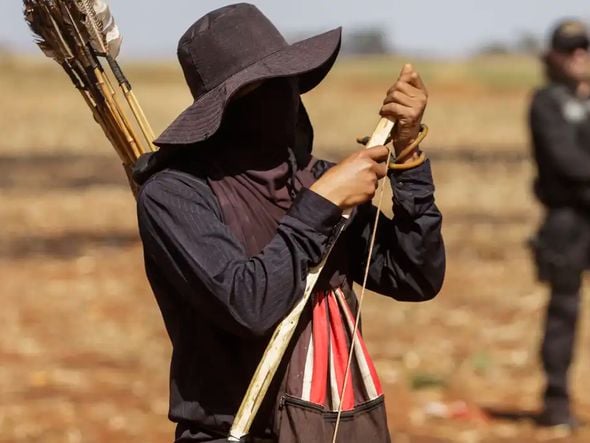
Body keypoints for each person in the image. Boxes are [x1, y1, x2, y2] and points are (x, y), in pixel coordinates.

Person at [134, 4, 445, 442]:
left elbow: (416, 276)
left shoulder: (311, 178)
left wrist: (408, 159)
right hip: (232, 432)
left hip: (329, 425)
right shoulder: (175, 195)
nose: (280, 100)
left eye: (286, 83)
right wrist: (320, 206)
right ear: (223, 110)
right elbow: (249, 304)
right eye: (259, 89)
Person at [529, 19, 590, 428]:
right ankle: (556, 400)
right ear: (553, 56)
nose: (579, 57)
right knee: (564, 309)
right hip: (567, 219)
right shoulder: (546, 101)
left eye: (584, 48)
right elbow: (567, 163)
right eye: (570, 50)